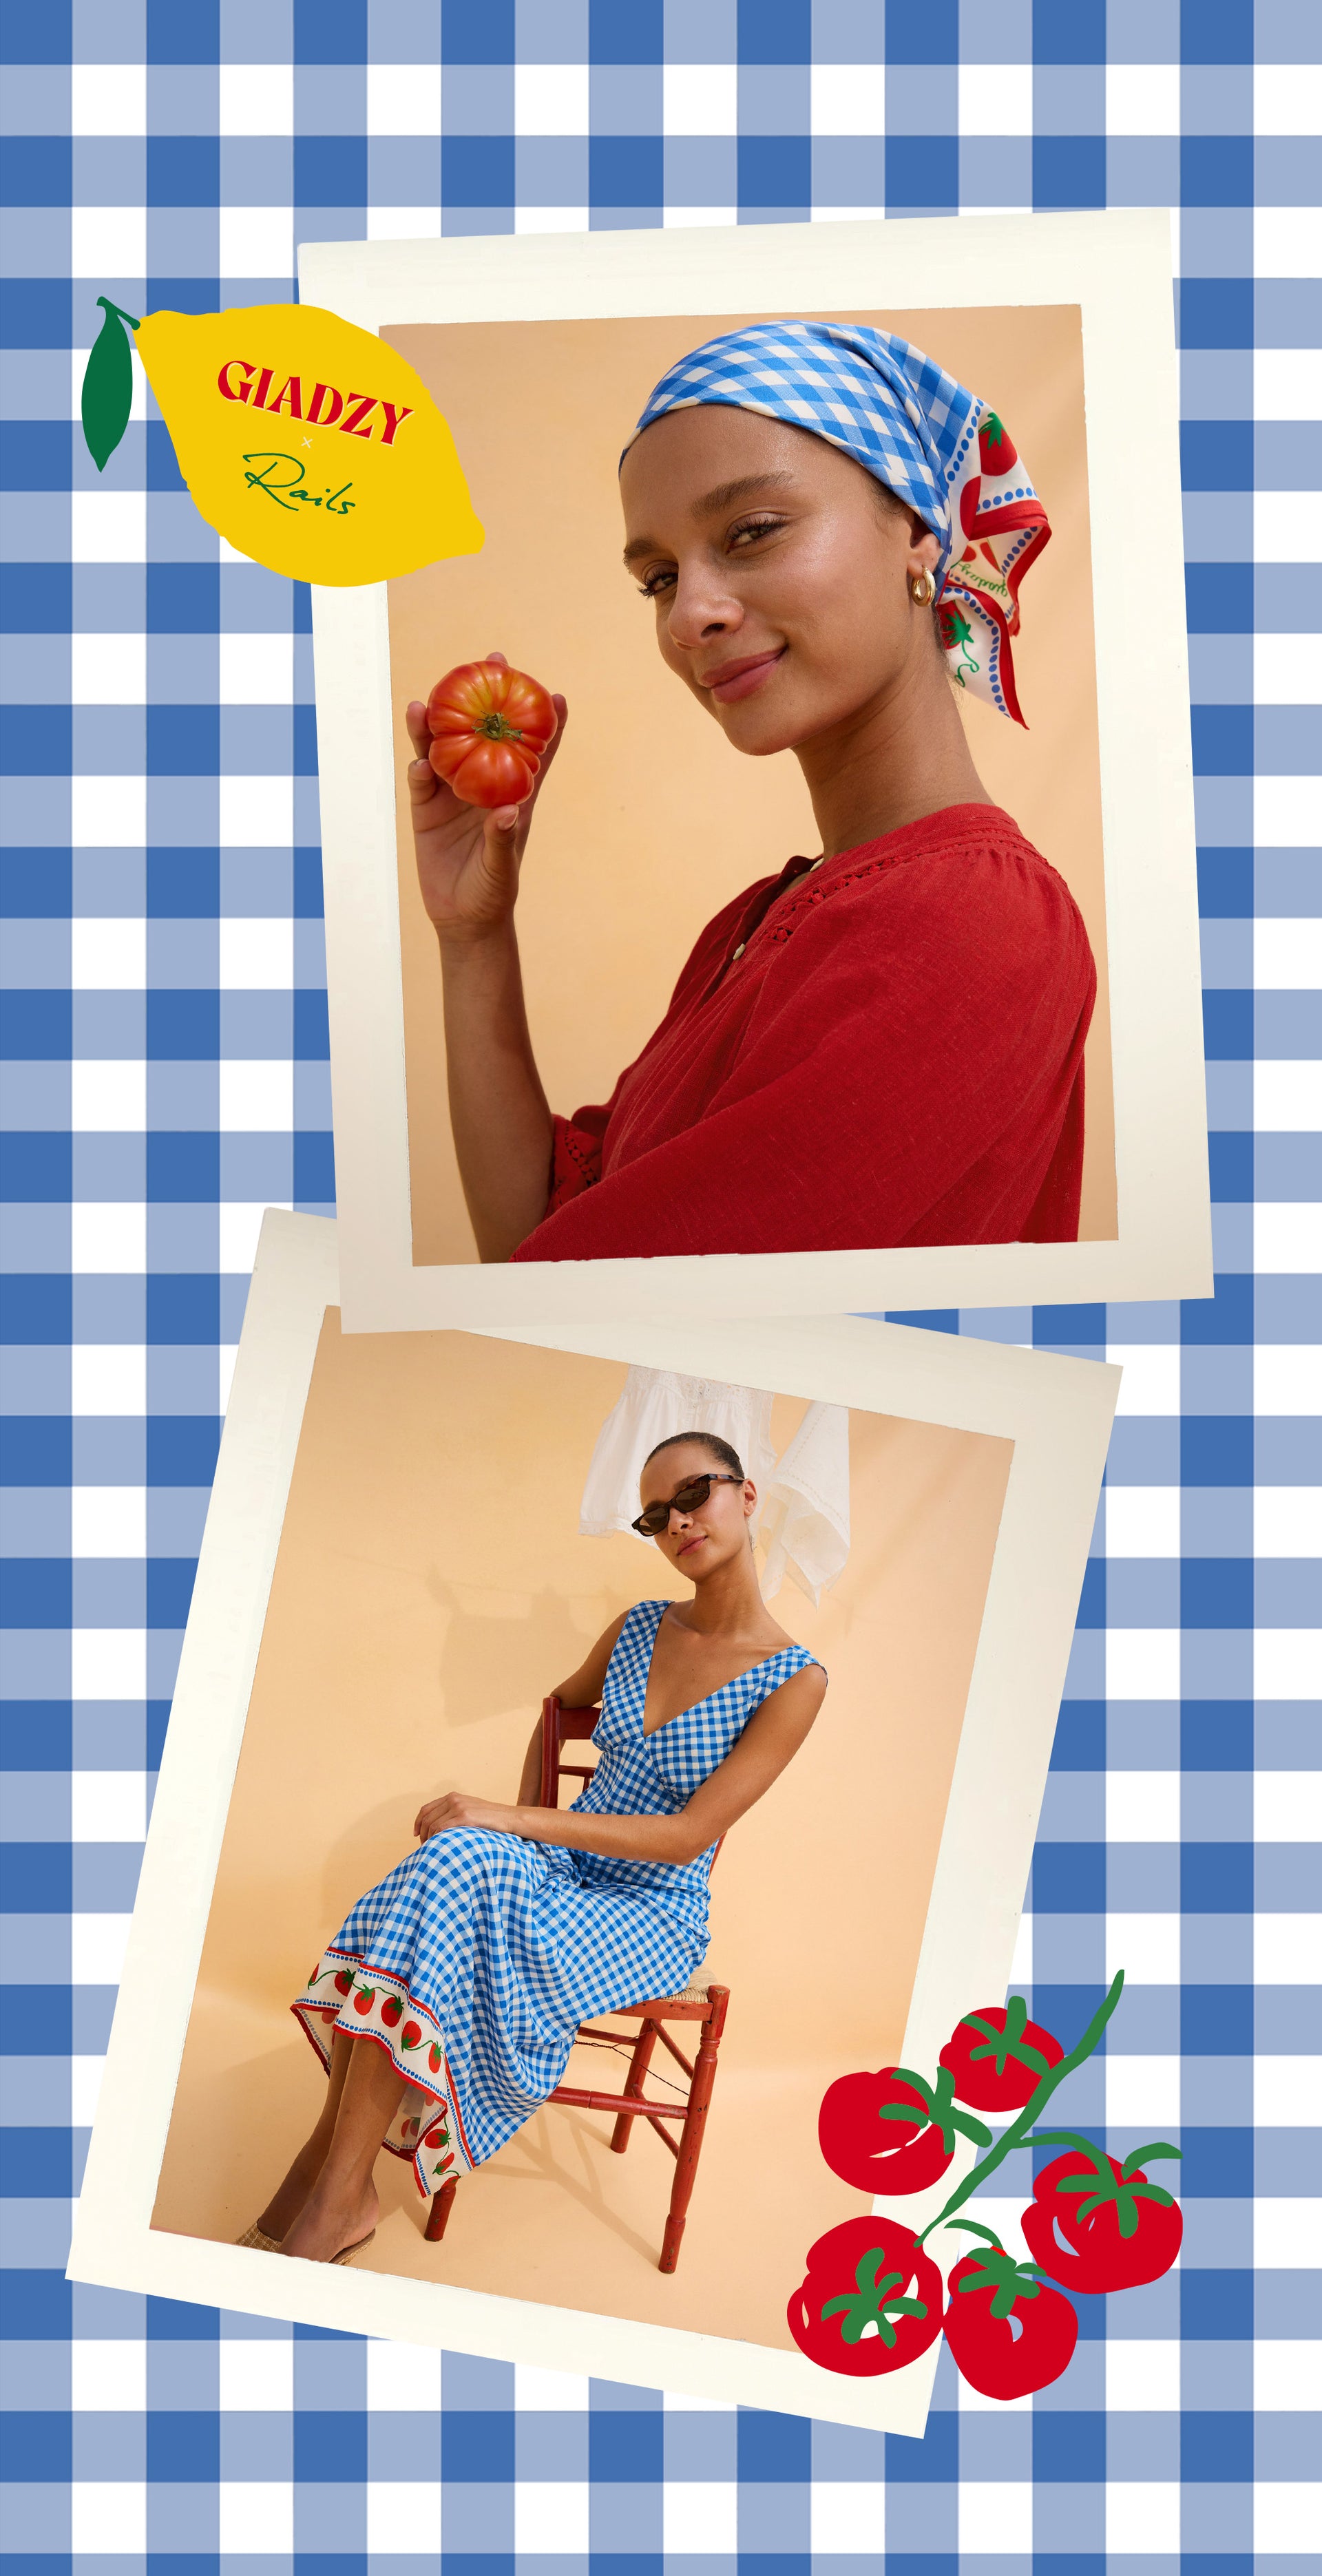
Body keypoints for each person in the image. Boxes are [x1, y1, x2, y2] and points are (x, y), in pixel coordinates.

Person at [406, 317, 1098, 1264]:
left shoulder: (967, 919)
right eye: (659, 577)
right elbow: (541, 1238)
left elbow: (573, 1307)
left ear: (914, 532)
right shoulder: (764, 920)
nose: (689, 615)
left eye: (753, 531)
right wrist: (473, 938)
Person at [239, 1433, 828, 2266]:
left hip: (650, 1913)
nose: (678, 1521)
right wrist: (513, 1828)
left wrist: (512, 1822)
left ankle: (329, 2183)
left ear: (748, 1494)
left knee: (463, 1857)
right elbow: (558, 1711)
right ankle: (336, 2181)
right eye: (656, 1514)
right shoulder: (639, 1627)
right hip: (563, 1871)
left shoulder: (795, 1680)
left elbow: (687, 1837)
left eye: (696, 1494)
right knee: (450, 1864)